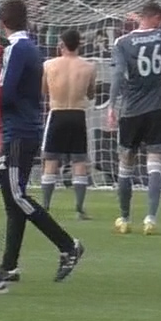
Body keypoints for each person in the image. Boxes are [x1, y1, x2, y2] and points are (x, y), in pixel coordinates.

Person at [0, 0, 83, 283]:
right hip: (28, 127)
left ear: (2, 22)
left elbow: (5, 94)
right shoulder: (33, 48)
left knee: (16, 195)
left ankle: (68, 245)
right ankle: (9, 265)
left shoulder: (16, 49)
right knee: (13, 197)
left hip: (17, 131)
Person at [109, 1, 161, 235]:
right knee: (154, 164)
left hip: (131, 109)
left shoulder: (122, 42)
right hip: (156, 108)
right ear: (154, 17)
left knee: (126, 164)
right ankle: (151, 218)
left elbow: (117, 75)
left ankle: (124, 218)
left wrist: (111, 105)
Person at [38, 30, 95, 218]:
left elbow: (43, 91)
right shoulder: (88, 67)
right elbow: (91, 94)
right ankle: (79, 207)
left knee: (51, 160)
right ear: (79, 44)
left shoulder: (49, 65)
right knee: (79, 160)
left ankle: (45, 205)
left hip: (57, 113)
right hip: (78, 114)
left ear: (61, 44)